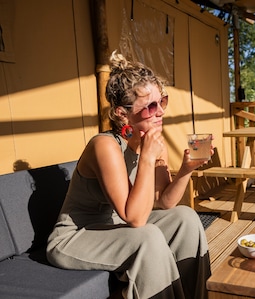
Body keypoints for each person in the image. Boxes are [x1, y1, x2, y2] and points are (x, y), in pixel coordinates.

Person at [47, 51, 212, 299]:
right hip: (76, 236)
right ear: (123, 114)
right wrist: (146, 156)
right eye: (150, 107)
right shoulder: (105, 146)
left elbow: (164, 202)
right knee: (147, 237)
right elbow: (134, 218)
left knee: (186, 218)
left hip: (116, 227)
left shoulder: (156, 143)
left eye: (162, 102)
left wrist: (186, 171)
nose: (161, 112)